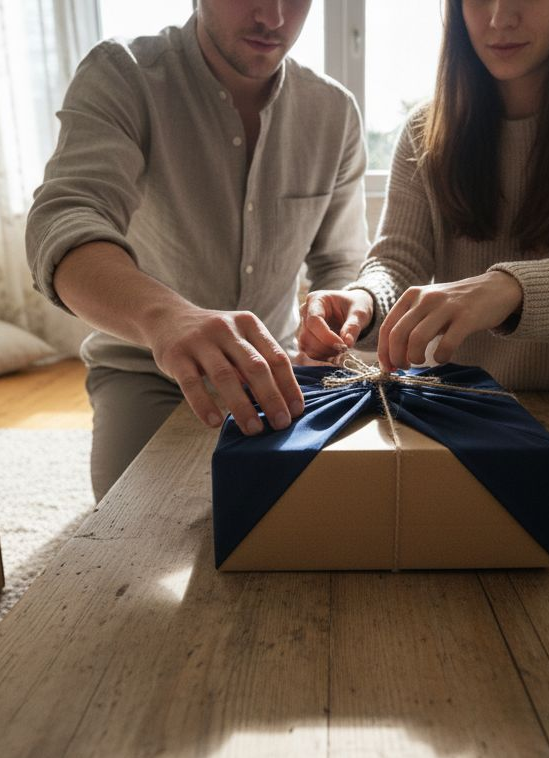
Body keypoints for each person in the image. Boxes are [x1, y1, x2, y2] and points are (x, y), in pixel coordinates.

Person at [27, 0, 370, 501]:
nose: (273, 17)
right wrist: (166, 319)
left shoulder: (334, 110)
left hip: (277, 369)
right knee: (134, 540)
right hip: (145, 369)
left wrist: (332, 316)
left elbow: (339, 260)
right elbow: (64, 220)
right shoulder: (123, 74)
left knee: (326, 518)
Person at [298, 0, 549, 391]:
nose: (500, 18)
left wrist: (508, 289)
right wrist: (365, 302)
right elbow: (397, 262)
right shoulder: (425, 127)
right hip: (456, 411)